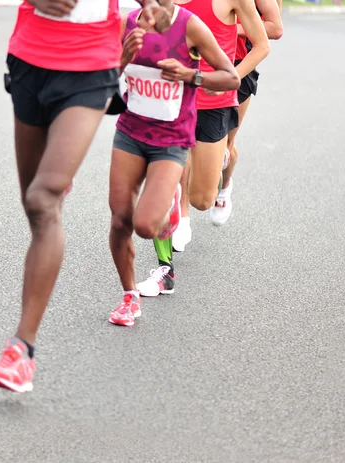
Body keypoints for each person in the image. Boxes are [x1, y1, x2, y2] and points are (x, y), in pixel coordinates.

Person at [0, 0, 171, 393]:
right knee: (32, 200)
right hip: (29, 60)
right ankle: (57, 173)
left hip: (90, 67)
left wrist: (158, 9)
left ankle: (21, 351)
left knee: (42, 201)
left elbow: (158, 5)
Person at [108, 1, 240, 326]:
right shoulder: (126, 23)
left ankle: (170, 207)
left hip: (171, 139)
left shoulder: (189, 25)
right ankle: (129, 297)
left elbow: (231, 77)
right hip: (129, 133)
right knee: (120, 219)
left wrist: (191, 76)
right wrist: (122, 59)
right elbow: (102, 75)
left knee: (144, 225)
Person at [137, 0, 270, 297]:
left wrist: (229, 79)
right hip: (169, 100)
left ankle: (222, 177)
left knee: (201, 200)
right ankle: (164, 269)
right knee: (163, 180)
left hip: (213, 104)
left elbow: (262, 45)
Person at [210, 0, 283, 226]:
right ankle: (180, 213)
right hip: (200, 63)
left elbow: (275, 28)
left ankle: (224, 187)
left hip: (238, 65)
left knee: (225, 146)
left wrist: (227, 26)